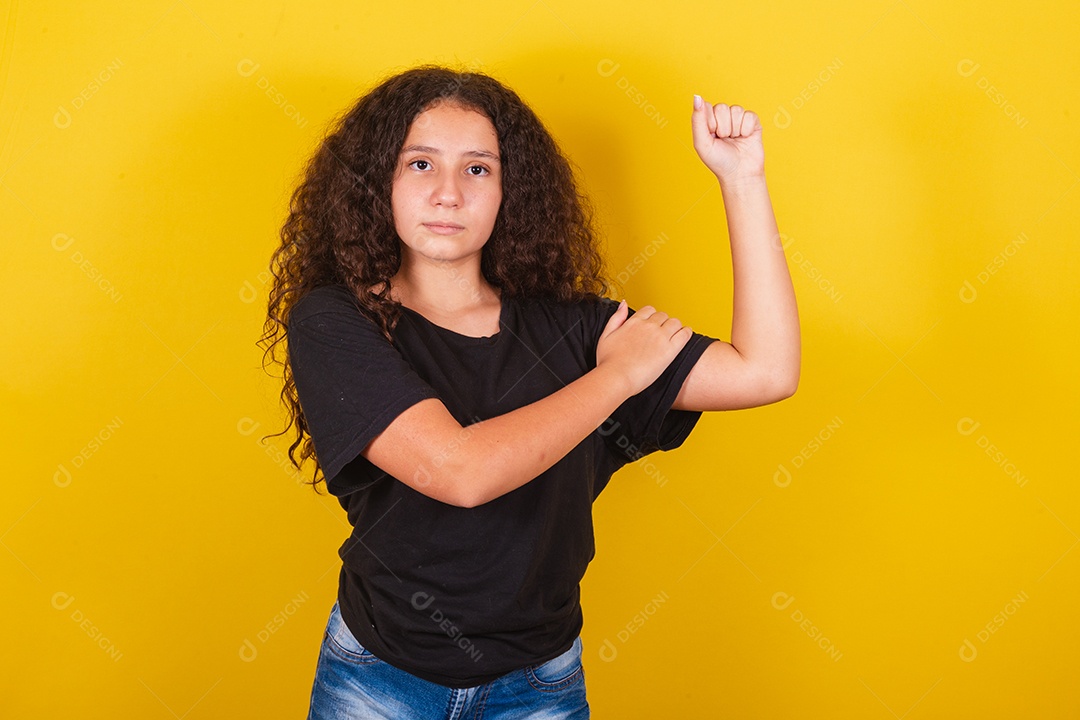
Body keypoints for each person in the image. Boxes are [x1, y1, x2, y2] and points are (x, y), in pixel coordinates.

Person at [259, 64, 799, 719]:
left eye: (478, 169)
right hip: (378, 682)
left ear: (511, 190)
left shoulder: (578, 329)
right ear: (378, 182)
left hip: (539, 688)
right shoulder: (335, 321)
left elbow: (765, 371)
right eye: (420, 164)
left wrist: (742, 179)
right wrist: (619, 377)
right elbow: (457, 471)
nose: (450, 193)